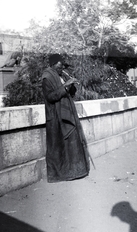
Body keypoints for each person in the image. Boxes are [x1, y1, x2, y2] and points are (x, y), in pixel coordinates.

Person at [41, 53, 90, 182]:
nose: (62, 66)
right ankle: (60, 174)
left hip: (66, 113)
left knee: (71, 143)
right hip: (55, 117)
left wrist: (72, 86)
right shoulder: (47, 77)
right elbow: (51, 97)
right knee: (58, 147)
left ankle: (75, 171)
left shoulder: (60, 76)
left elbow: (70, 94)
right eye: (60, 64)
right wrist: (65, 86)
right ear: (53, 63)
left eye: (63, 64)